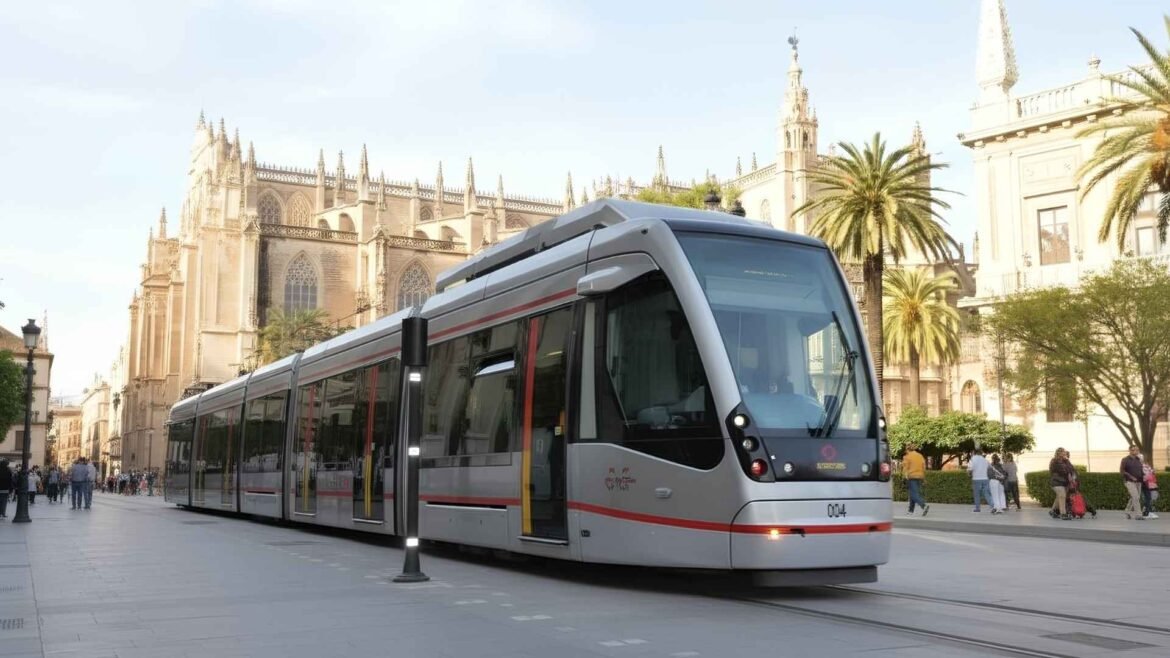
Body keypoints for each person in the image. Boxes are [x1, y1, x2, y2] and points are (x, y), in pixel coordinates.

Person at [901, 443, 929, 516]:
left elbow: (905, 469)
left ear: (907, 449)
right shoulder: (920, 456)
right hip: (920, 476)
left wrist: (904, 477)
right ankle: (910, 511)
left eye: (906, 449)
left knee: (913, 494)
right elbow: (924, 467)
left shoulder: (907, 457)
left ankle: (923, 505)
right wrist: (924, 478)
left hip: (912, 476)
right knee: (913, 493)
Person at [1121, 445, 1145, 520]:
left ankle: (1127, 511)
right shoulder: (1125, 459)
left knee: (1134, 497)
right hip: (1129, 481)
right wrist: (1131, 477)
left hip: (1139, 481)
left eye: (1137, 450)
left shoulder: (1139, 459)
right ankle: (1138, 515)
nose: (1136, 451)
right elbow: (1122, 471)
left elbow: (1141, 470)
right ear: (1130, 451)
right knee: (1136, 497)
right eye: (1134, 450)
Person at [1049, 448, 1073, 520]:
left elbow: (1071, 468)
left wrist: (1067, 461)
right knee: (1062, 496)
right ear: (1059, 453)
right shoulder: (1055, 461)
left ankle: (1052, 511)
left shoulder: (1065, 460)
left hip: (1063, 482)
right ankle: (1063, 514)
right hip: (1056, 482)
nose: (1064, 453)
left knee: (1059, 497)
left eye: (1064, 452)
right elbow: (1063, 470)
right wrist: (1068, 472)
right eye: (1063, 452)